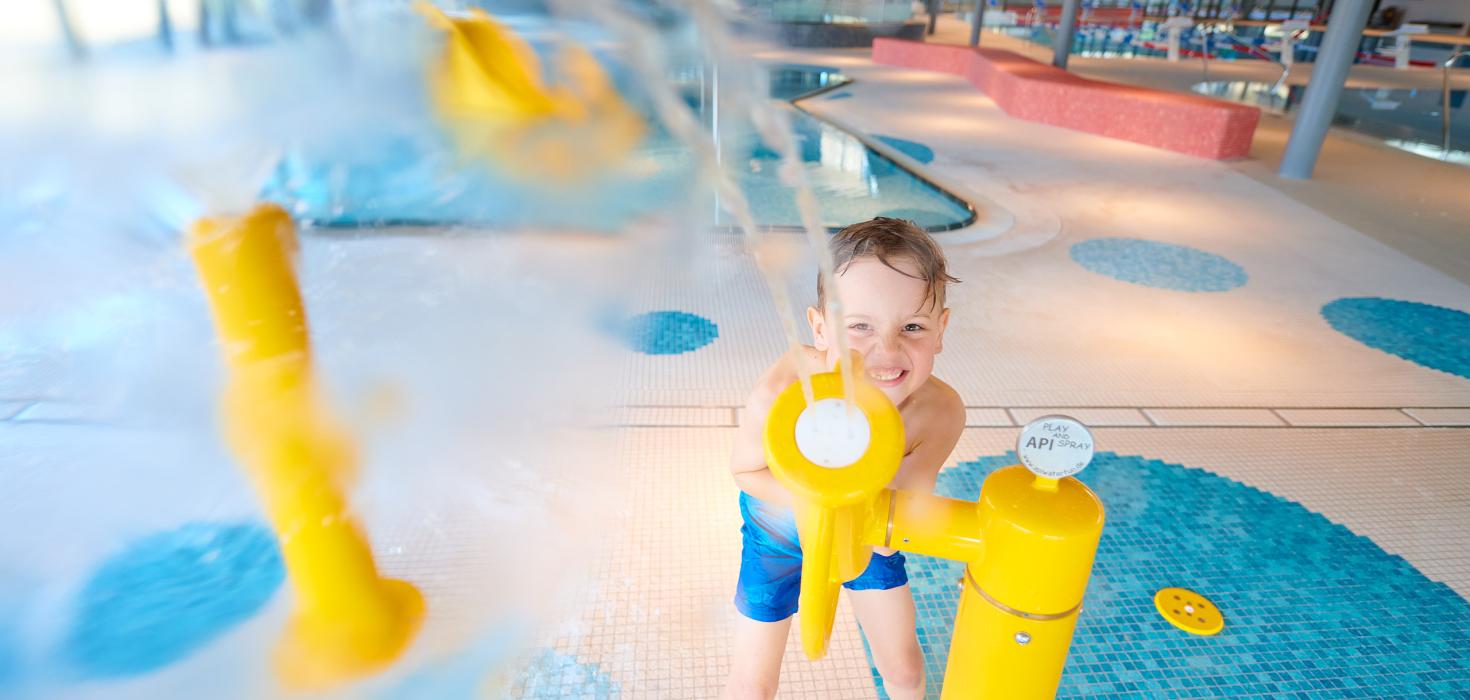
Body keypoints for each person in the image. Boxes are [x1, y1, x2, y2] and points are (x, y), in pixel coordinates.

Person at [723, 217, 966, 700]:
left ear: (940, 329)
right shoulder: (783, 394)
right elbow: (747, 470)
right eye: (859, 327)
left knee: (904, 669)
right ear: (821, 329)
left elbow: (903, 509)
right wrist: (817, 501)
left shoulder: (937, 413)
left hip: (867, 529)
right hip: (779, 533)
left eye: (913, 326)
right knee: (752, 683)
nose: (887, 351)